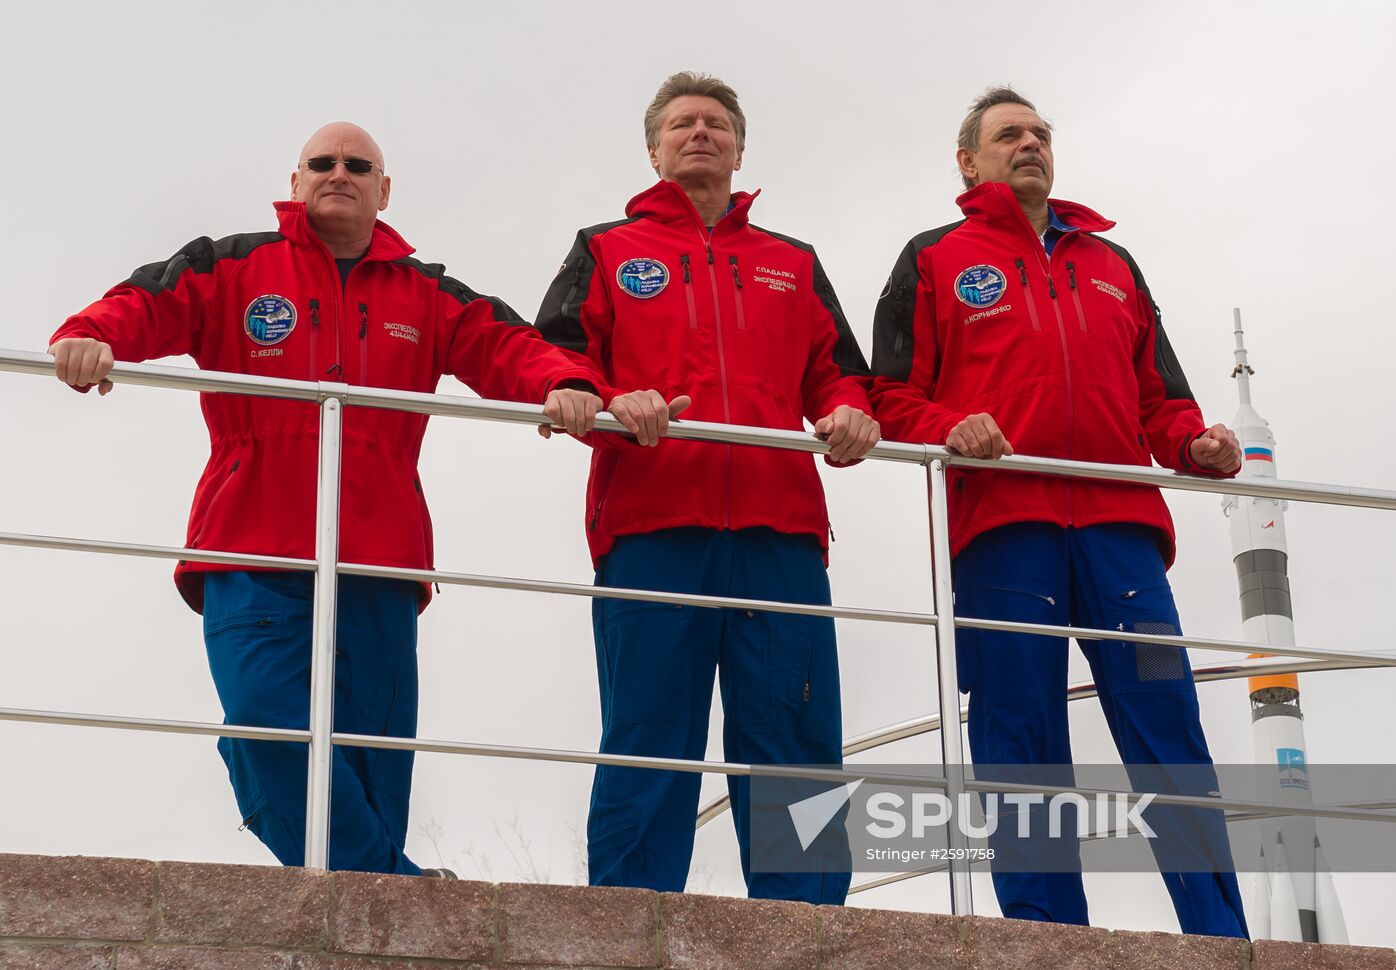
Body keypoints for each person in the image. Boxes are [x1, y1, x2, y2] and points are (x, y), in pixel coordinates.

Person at [48, 122, 611, 876]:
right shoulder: (230, 265)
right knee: (261, 723)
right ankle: (390, 888)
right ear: (294, 183)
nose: (336, 173)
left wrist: (565, 383)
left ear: (385, 191)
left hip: (380, 554)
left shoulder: (428, 291)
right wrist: (88, 337)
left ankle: (375, 902)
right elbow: (141, 305)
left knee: (372, 755)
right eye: (321, 163)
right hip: (249, 541)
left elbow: (507, 345)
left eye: (357, 165)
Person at [870, 88, 1249, 936]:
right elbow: (888, 395)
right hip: (1007, 535)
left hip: (1122, 544)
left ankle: (1223, 938)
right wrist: (947, 426)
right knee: (1020, 741)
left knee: (1168, 730)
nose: (1031, 143)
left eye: (1041, 133)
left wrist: (1198, 446)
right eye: (1009, 134)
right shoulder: (933, 258)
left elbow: (1164, 403)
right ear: (969, 162)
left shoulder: (1113, 265)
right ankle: (1046, 938)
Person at [534, 72, 879, 903]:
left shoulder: (790, 262)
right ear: (653, 149)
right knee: (650, 737)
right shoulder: (606, 247)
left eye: (716, 123)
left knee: (796, 744)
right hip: (654, 526)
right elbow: (557, 354)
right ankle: (629, 923)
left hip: (780, 534)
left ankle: (812, 935)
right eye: (683, 123)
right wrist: (607, 398)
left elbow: (842, 376)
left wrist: (849, 414)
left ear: (739, 147)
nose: (701, 133)